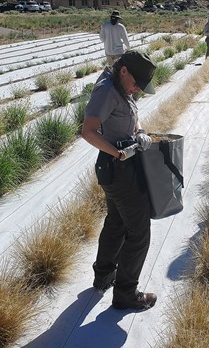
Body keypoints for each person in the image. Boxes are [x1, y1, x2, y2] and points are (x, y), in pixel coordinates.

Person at [81, 50, 158, 310]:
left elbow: (132, 116)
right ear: (123, 70)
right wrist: (118, 152)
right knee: (138, 231)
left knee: (116, 223)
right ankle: (126, 293)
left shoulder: (121, 85)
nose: (136, 89)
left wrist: (140, 132)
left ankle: (103, 276)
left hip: (117, 167)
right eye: (136, 83)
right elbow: (88, 132)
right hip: (117, 167)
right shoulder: (106, 91)